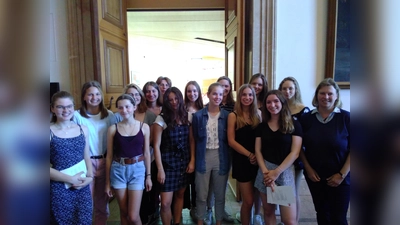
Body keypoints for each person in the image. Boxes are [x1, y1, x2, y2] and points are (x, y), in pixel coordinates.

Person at [299, 78, 350, 225]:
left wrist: (341, 175)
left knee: (338, 218)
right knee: (322, 214)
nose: (326, 97)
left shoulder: (346, 118)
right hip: (316, 177)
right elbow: (299, 147)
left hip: (341, 178)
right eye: (322, 93)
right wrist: (308, 169)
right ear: (316, 95)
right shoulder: (307, 118)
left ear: (336, 96)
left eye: (329, 94)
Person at [254, 90, 302, 225]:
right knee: (268, 213)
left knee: (289, 220)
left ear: (282, 103)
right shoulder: (262, 126)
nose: (272, 105)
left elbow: (295, 152)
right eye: (268, 102)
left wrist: (276, 172)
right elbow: (258, 151)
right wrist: (266, 173)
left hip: (284, 172)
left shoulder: (294, 124)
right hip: (265, 173)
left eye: (276, 101)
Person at [114, 83, 159, 225]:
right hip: (120, 166)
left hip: (142, 164)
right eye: (130, 95)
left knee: (139, 210)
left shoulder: (148, 117)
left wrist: (148, 175)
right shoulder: (118, 117)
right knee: (124, 211)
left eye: (136, 94)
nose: (133, 97)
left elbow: (150, 144)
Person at [73, 81, 116, 225]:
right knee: (86, 202)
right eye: (90, 94)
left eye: (97, 94)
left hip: (104, 161)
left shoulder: (109, 115)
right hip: (85, 163)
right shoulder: (77, 116)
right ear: (84, 97)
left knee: (102, 204)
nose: (94, 97)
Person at [105, 94, 152, 225]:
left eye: (127, 107)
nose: (124, 110)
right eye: (120, 108)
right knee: (124, 212)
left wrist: (148, 176)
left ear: (134, 107)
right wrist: (107, 183)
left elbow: (147, 153)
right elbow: (109, 156)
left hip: (137, 170)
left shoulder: (144, 127)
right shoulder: (112, 129)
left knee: (133, 216)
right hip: (118, 170)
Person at [153, 87, 194, 225]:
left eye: (176, 99)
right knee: (165, 203)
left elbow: (191, 141)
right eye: (170, 100)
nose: (174, 102)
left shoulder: (187, 116)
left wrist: (192, 161)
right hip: (167, 164)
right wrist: (160, 169)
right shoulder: (161, 119)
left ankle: (177, 222)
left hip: (184, 162)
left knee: (180, 194)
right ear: (166, 102)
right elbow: (156, 146)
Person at [50, 91, 93, 224]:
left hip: (82, 185)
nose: (65, 110)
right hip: (60, 187)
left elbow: (86, 156)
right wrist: (70, 179)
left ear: (74, 107)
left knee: (84, 221)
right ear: (52, 108)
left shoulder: (83, 129)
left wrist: (90, 177)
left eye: (69, 106)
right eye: (60, 107)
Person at [192, 83, 231, 225]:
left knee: (220, 195)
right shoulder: (198, 116)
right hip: (203, 157)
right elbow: (194, 139)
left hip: (221, 157)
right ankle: (201, 221)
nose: (217, 97)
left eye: (221, 94)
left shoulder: (227, 116)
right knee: (202, 195)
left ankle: (219, 221)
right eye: (214, 93)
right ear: (208, 94)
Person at [227, 84, 262, 225]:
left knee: (258, 198)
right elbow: (231, 141)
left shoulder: (258, 114)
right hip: (242, 161)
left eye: (250, 95)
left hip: (258, 161)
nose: (247, 98)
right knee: (248, 201)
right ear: (239, 97)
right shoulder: (233, 115)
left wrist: (257, 156)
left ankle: (256, 220)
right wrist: (249, 155)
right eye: (244, 95)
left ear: (253, 97)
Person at [278, 76, 310, 222]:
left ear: (296, 89)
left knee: (293, 192)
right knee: (283, 192)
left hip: (296, 157)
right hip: (279, 156)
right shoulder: (278, 107)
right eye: (284, 88)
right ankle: (286, 219)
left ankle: (293, 222)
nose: (287, 91)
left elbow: (306, 137)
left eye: (290, 88)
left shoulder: (303, 110)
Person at [182, 81, 204, 220]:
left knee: (198, 181)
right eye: (189, 91)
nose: (192, 94)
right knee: (185, 179)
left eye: (195, 91)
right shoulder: (182, 108)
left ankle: (197, 209)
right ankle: (184, 208)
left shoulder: (204, 109)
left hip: (200, 149)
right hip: (184, 148)